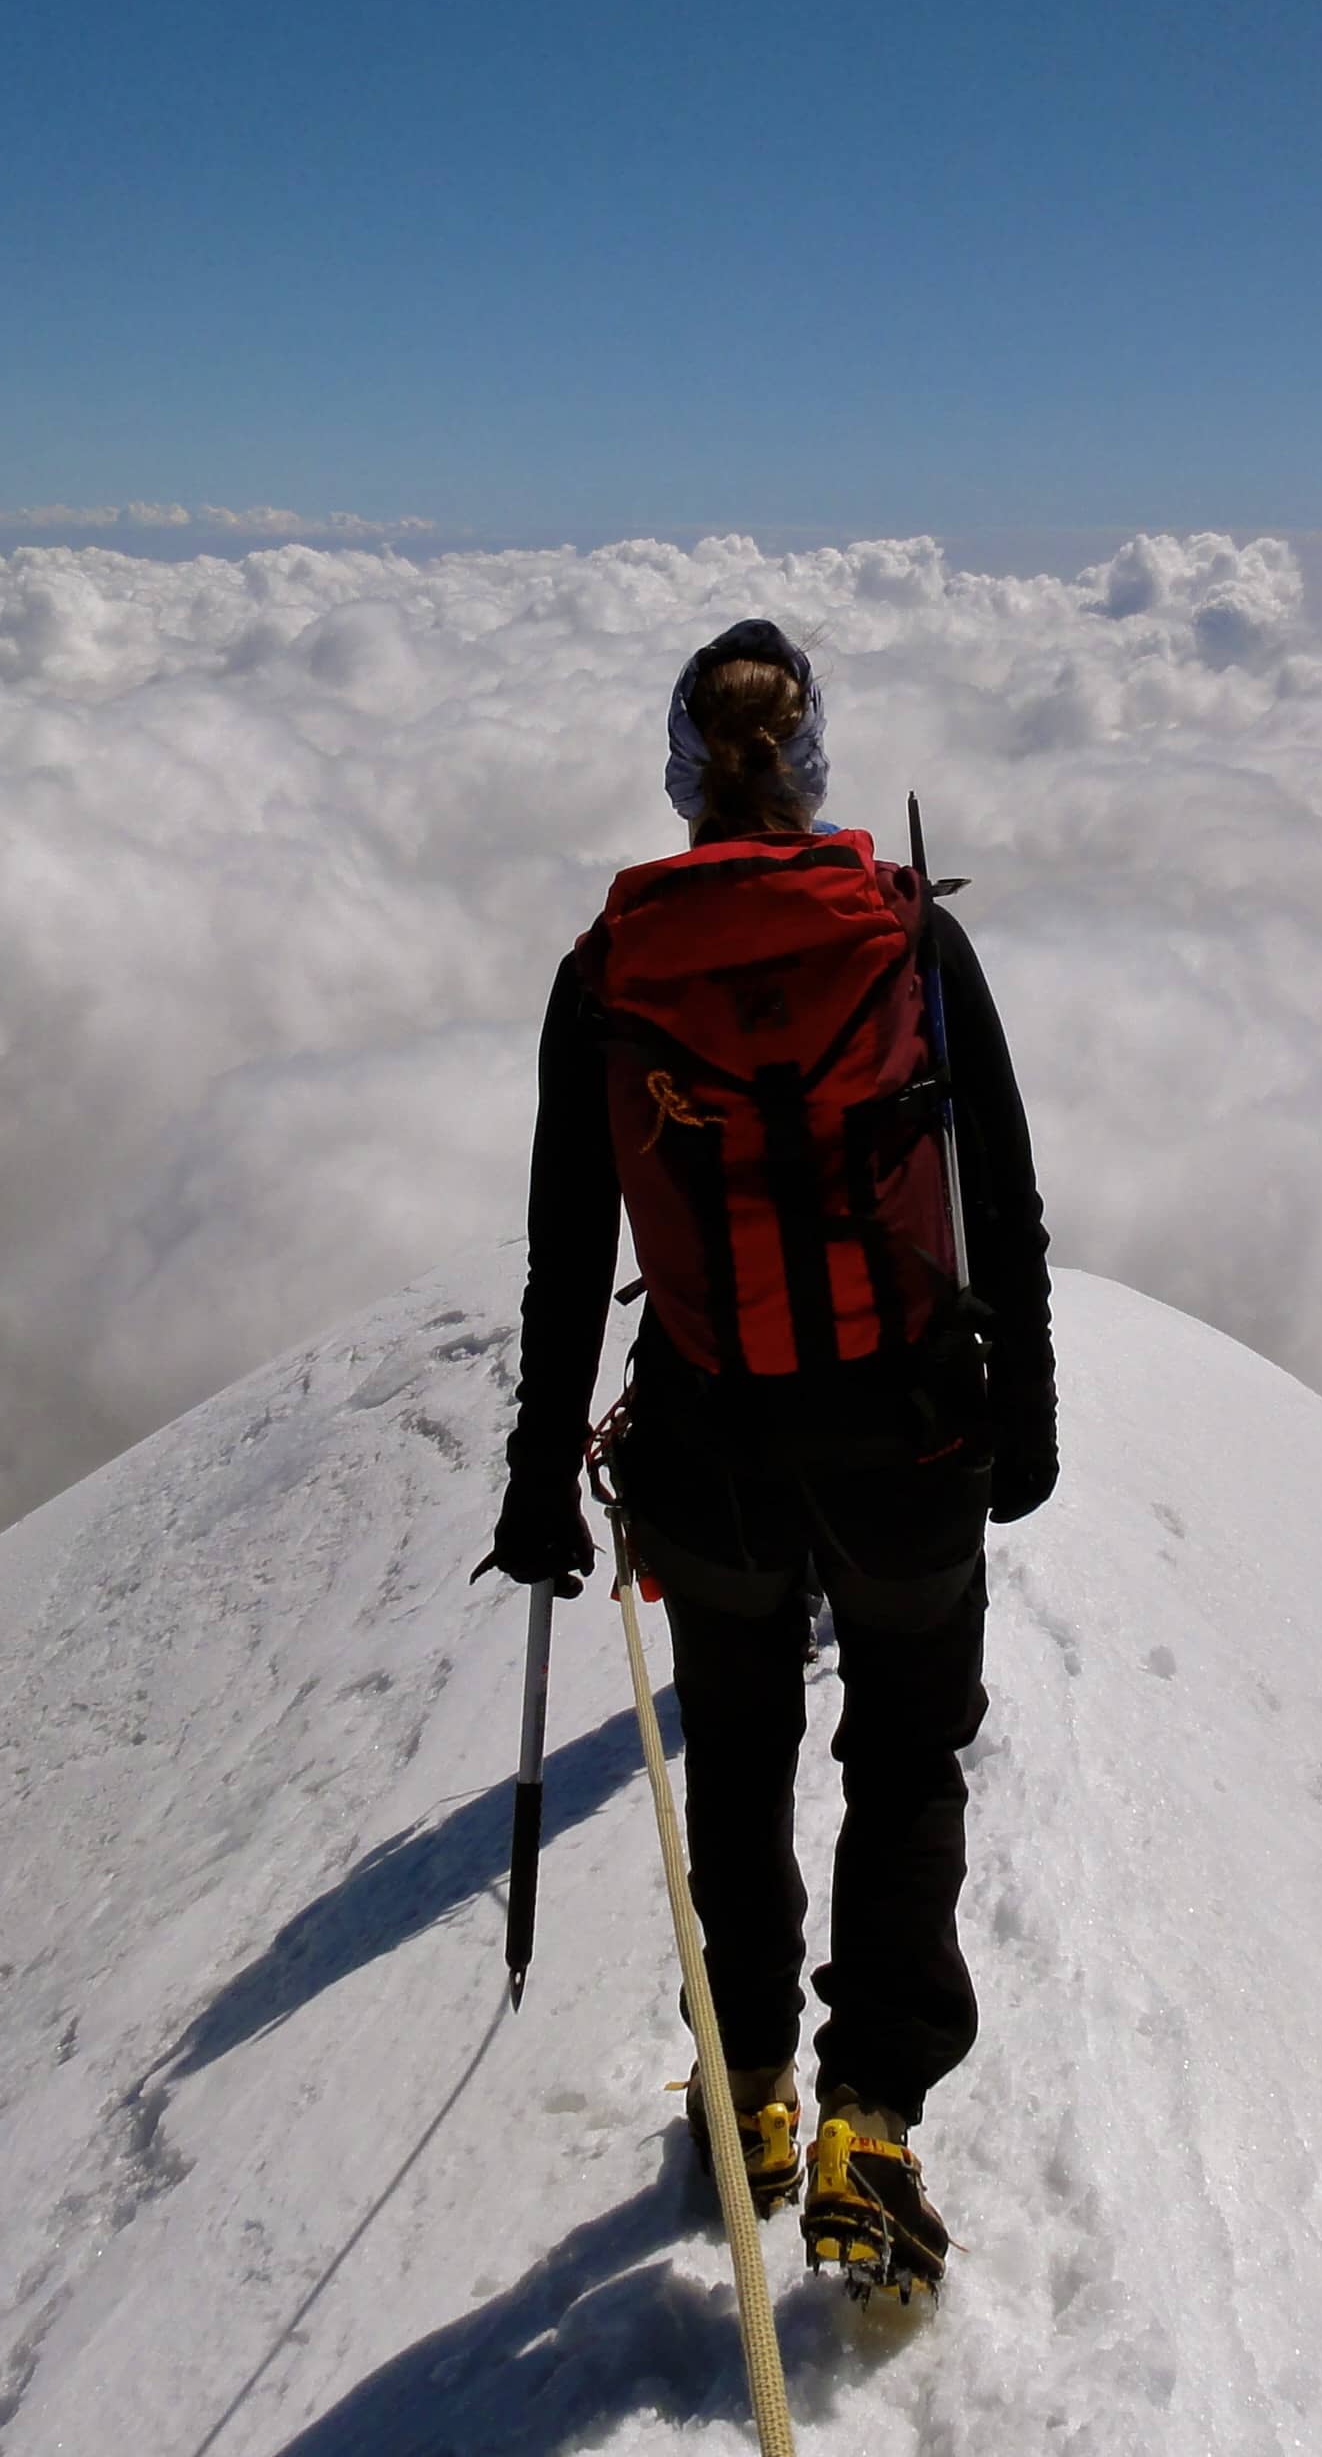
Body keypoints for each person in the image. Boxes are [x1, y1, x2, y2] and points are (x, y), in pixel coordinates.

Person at [479, 617, 1056, 2300]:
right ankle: (874, 2113)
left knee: (736, 1767)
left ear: (686, 776)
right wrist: (1026, 1417)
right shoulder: (911, 942)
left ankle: (746, 2081)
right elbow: (1003, 1196)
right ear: (812, 765)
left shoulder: (609, 973)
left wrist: (538, 1477)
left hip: (711, 1445)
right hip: (909, 1437)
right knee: (906, 1759)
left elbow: (568, 1248)